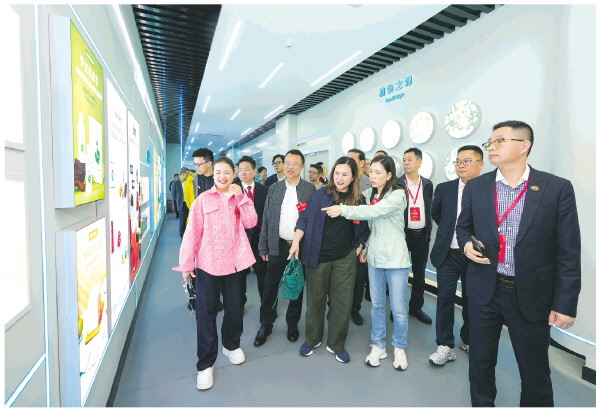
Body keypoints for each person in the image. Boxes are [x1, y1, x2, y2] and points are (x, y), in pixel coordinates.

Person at [456, 120, 581, 407]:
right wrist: (466, 244)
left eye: (500, 140)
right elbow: (463, 227)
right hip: (484, 289)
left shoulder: (555, 188)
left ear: (524, 145)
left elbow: (568, 251)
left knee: (534, 370)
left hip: (531, 293)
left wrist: (565, 303)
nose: (491, 147)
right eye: (490, 142)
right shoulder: (477, 187)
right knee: (480, 363)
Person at [173, 156, 258, 391]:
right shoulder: (202, 200)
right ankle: (205, 364)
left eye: (227, 172)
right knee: (206, 313)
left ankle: (231, 345)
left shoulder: (239, 198)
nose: (222, 176)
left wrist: (241, 198)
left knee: (234, 308)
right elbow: (192, 232)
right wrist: (186, 264)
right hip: (208, 264)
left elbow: (251, 222)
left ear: (234, 175)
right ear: (213, 174)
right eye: (218, 172)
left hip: (235, 264)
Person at [323, 155, 411, 370]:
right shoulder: (368, 193)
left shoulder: (398, 194)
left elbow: (374, 212)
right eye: (371, 172)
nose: (372, 176)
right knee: (377, 306)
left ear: (389, 175)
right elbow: (369, 225)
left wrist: (343, 209)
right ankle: (378, 345)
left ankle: (399, 347)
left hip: (396, 258)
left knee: (399, 308)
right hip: (374, 258)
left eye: (378, 172)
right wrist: (365, 246)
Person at [289, 157, 369, 363]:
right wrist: (296, 242)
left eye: (345, 174)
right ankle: (312, 339)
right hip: (318, 256)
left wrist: (359, 246)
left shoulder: (358, 199)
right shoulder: (321, 194)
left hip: (345, 258)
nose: (340, 178)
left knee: (342, 302)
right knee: (315, 301)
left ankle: (336, 344)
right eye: (337, 173)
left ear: (353, 177)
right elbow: (304, 219)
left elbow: (364, 227)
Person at [428, 145, 484, 366]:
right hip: (448, 254)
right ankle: (445, 345)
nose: (461, 165)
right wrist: (449, 232)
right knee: (444, 299)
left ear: (481, 164)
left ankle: (467, 339)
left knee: (472, 301)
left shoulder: (488, 190)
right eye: (458, 161)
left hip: (474, 257)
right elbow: (436, 213)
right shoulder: (445, 188)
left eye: (467, 161)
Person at [254, 149, 316, 346]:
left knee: (296, 286)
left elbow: (313, 220)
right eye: (287, 163)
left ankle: (292, 324)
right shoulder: (274, 188)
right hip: (277, 245)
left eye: (295, 164)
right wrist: (263, 246)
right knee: (270, 288)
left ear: (302, 167)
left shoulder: (309, 189)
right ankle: (265, 324)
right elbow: (265, 219)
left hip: (300, 247)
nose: (290, 167)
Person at [397, 147, 433, 325]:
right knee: (399, 274)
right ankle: (398, 308)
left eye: (409, 159)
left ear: (419, 162)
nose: (406, 163)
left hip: (421, 236)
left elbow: (429, 208)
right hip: (401, 236)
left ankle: (416, 307)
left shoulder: (427, 184)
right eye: (404, 160)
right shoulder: (397, 184)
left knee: (419, 274)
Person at [236, 156, 268, 302]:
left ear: (254, 171)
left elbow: (269, 217)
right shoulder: (232, 189)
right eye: (240, 170)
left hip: (260, 239)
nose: (243, 173)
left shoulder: (265, 190)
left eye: (246, 170)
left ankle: (266, 307)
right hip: (240, 240)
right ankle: (239, 305)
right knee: (239, 276)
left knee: (262, 274)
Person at [346, 149, 371, 325]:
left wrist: (362, 244)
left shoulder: (369, 184)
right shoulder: (341, 181)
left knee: (358, 279)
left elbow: (369, 219)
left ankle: (355, 310)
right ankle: (335, 307)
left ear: (361, 163)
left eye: (352, 159)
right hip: (341, 240)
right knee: (338, 280)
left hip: (361, 239)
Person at [172, 169, 186, 236]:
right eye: (186, 174)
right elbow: (173, 194)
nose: (187, 175)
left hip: (189, 203)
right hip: (181, 204)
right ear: (182, 174)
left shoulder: (188, 181)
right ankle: (182, 234)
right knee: (182, 220)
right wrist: (178, 200)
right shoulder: (175, 183)